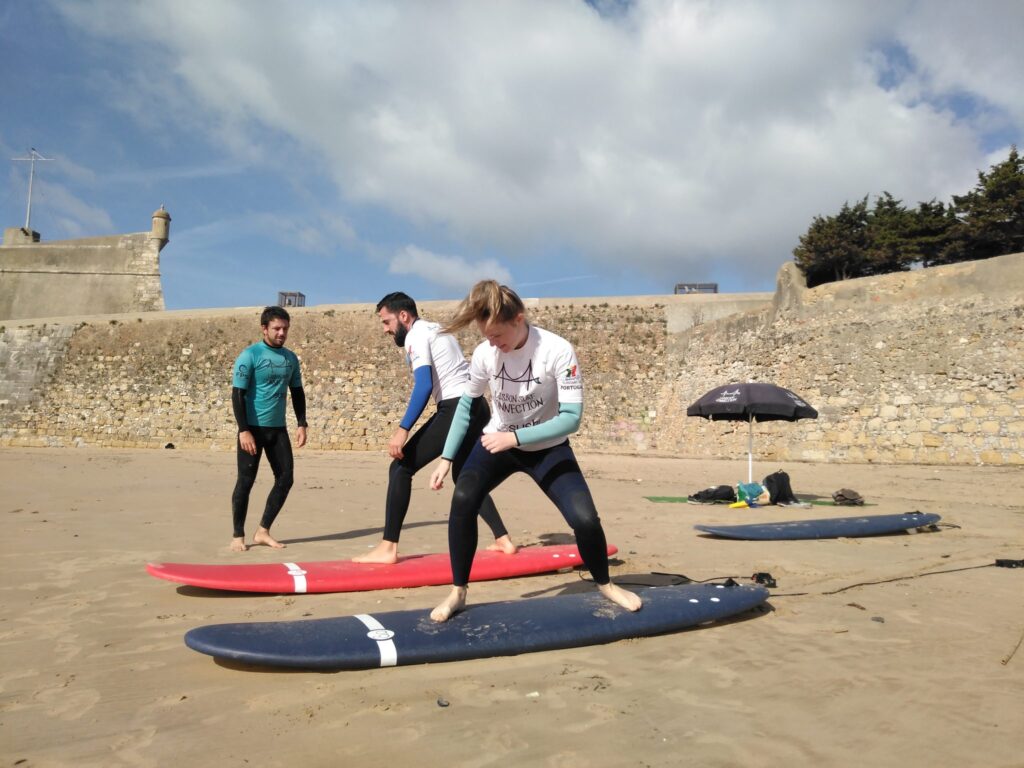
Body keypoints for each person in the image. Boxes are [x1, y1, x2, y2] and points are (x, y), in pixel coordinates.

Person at [428, 280, 642, 621]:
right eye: (486, 336)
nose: (492, 343)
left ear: (519, 319)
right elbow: (466, 408)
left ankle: (605, 584)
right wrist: (447, 458)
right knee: (464, 498)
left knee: (585, 519)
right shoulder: (486, 353)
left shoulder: (557, 351)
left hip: (547, 448)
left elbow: (571, 419)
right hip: (497, 442)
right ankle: (458, 592)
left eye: (497, 335)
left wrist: (515, 438)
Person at [354, 292, 517, 563]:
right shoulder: (437, 329)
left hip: (456, 408)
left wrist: (402, 428)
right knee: (464, 475)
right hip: (476, 407)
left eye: (386, 322)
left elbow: (424, 385)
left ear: (403, 316)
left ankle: (388, 548)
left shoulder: (417, 335)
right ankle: (503, 539)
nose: (385, 330)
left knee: (400, 468)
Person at [229, 305, 307, 551]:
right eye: (277, 328)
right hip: (252, 428)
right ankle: (238, 536)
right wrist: (243, 430)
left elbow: (297, 392)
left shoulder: (290, 358)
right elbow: (237, 394)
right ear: (264, 329)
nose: (282, 333)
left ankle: (263, 531)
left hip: (277, 429)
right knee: (246, 481)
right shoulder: (250, 355)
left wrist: (302, 423)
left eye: (285, 328)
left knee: (286, 479)